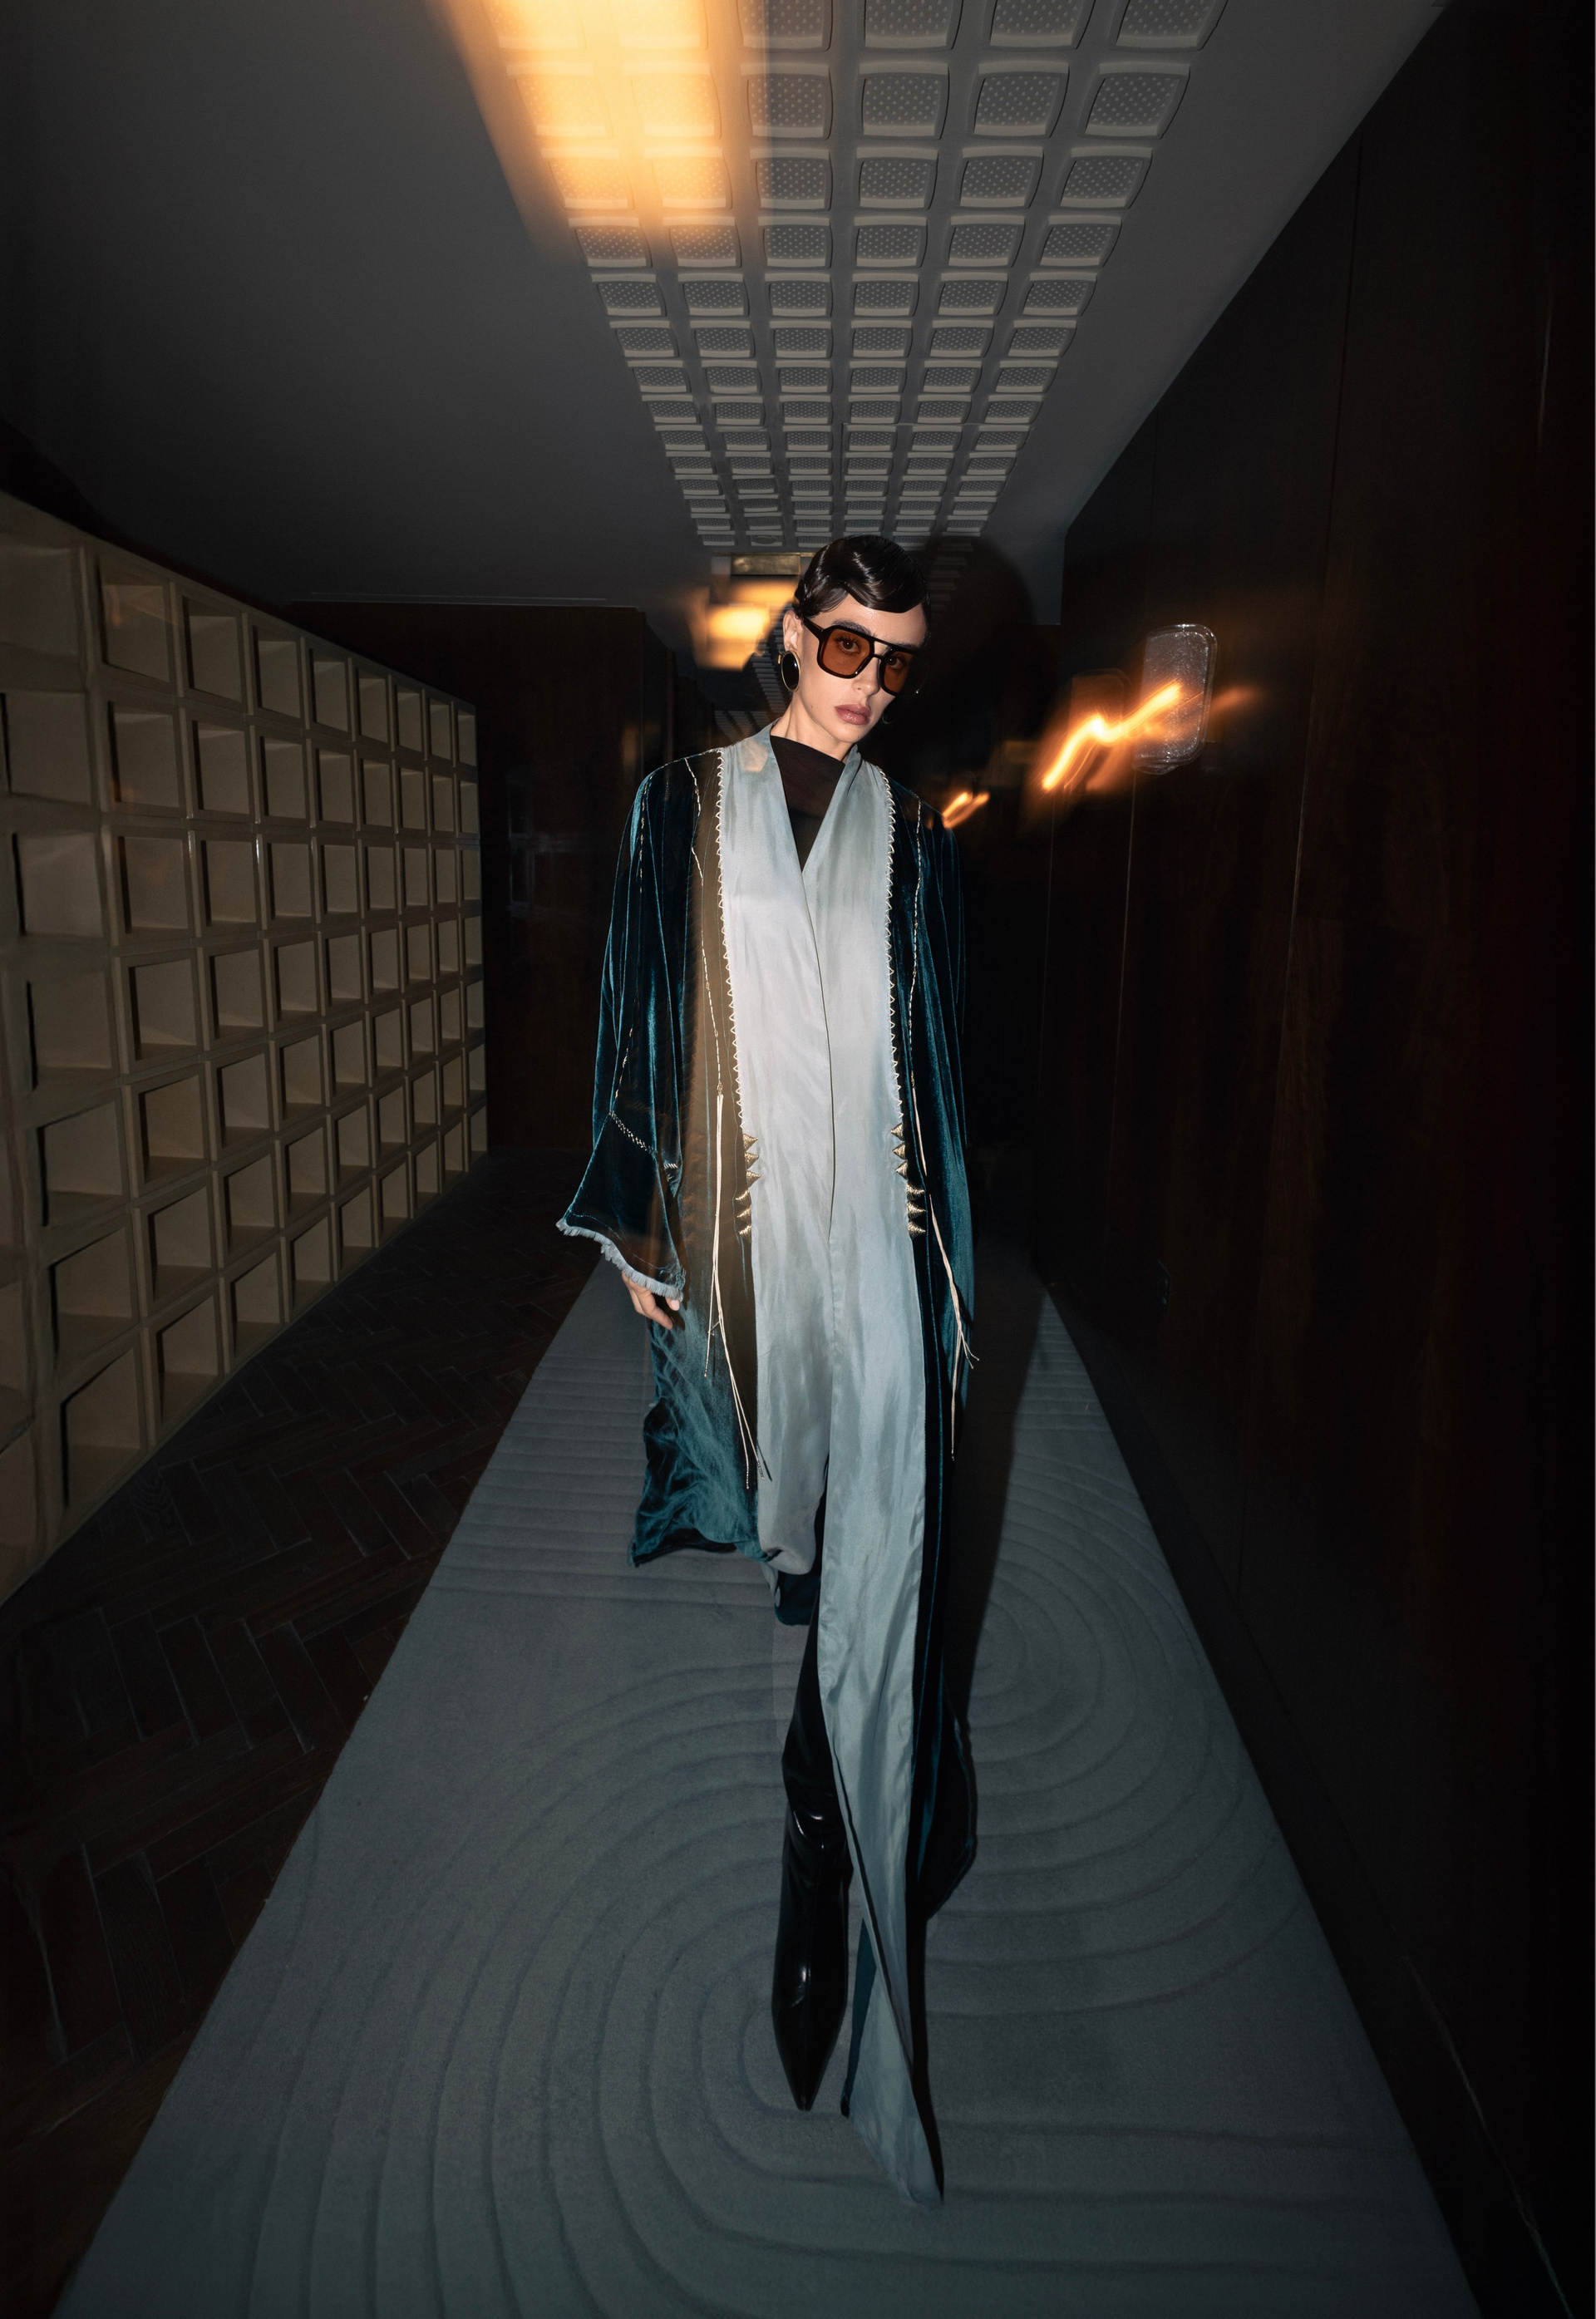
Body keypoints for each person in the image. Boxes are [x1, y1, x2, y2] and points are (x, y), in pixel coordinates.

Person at [559, 534, 975, 2202]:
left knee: (886, 1544)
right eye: (850, 646)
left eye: (899, 659)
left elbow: (935, 1057)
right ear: (796, 635)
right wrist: (632, 1224)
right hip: (742, 1237)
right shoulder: (682, 806)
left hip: (877, 1244)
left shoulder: (914, 837)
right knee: (793, 1514)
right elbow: (637, 1010)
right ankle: (830, 1764)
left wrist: (948, 1267)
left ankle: (823, 1826)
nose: (872, 684)